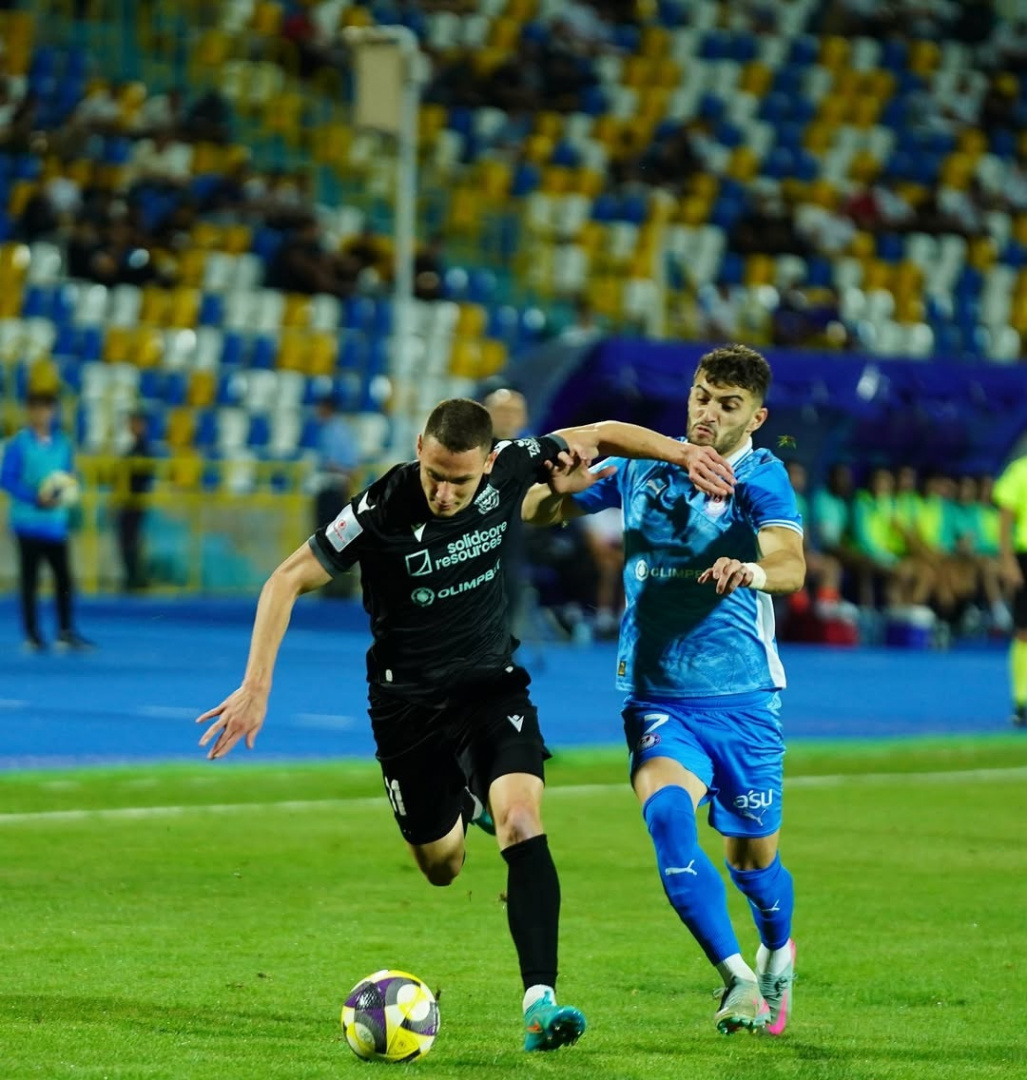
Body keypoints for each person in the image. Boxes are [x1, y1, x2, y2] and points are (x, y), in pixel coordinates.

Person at [196, 397, 734, 1051]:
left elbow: (600, 434)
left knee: (522, 821)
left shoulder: (513, 463)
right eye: (435, 476)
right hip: (406, 707)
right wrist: (255, 687)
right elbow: (284, 580)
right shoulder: (380, 508)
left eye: (460, 480)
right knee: (442, 865)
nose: (445, 493)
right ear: (419, 450)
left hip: (489, 688)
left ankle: (539, 1003)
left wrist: (684, 453)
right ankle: (464, 801)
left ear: (487, 462)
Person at [522, 345, 805, 1036]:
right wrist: (556, 490)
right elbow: (534, 511)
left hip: (744, 700)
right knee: (668, 817)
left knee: (753, 864)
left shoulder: (761, 477)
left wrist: (751, 570)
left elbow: (790, 561)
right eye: (702, 396)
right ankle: (737, 980)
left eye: (729, 405)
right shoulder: (644, 463)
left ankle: (776, 950)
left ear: (756, 418)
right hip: (657, 698)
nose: (709, 413)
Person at [0, 390, 92, 651]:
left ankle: (65, 631)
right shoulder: (19, 444)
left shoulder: (63, 443)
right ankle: (32, 635)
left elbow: (71, 475)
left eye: (47, 409)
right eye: (37, 409)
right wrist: (34, 497)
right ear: (29, 412)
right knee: (30, 580)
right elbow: (6, 478)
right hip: (28, 522)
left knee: (64, 578)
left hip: (55, 523)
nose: (43, 415)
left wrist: (71, 486)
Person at [992, 453, 1027, 726]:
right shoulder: (1020, 471)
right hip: (1025, 555)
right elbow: (1005, 516)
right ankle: (1021, 700)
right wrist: (1007, 560)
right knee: (1024, 632)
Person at [117, 408, 154, 591]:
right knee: (128, 540)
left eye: (136, 422)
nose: (132, 426)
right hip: (127, 501)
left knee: (131, 541)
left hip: (135, 502)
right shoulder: (134, 448)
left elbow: (143, 477)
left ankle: (136, 579)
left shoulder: (143, 449)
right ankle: (133, 578)